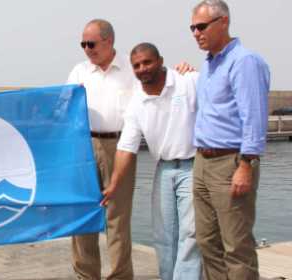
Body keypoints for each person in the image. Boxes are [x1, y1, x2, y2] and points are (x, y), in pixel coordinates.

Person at [101, 43, 202, 280]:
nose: (142, 68)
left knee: (191, 235)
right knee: (164, 235)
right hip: (164, 169)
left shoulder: (188, 81)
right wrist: (114, 185)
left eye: (147, 62)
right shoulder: (136, 101)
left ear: (160, 60)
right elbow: (126, 147)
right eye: (136, 65)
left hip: (194, 165)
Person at [189, 1, 270, 279]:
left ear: (223, 22)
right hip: (202, 162)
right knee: (207, 242)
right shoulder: (209, 66)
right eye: (192, 28)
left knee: (236, 246)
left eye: (201, 26)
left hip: (231, 162)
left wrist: (246, 164)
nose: (196, 33)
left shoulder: (244, 61)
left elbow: (255, 117)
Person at [66, 19, 137, 279]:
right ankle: (86, 275)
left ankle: (120, 275)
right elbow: (62, 106)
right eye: (83, 44)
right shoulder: (79, 71)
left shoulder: (132, 68)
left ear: (109, 41)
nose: (86, 49)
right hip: (84, 147)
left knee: (117, 218)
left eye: (91, 43)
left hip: (120, 147)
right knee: (83, 213)